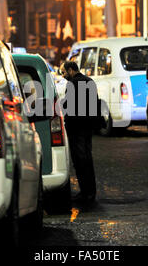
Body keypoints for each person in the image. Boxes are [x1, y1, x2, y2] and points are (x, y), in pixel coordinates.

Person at [61, 61, 99, 204]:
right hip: (87, 127)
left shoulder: (72, 84)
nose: (63, 76)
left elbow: (67, 104)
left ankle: (85, 193)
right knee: (87, 159)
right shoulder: (90, 81)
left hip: (76, 127)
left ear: (71, 70)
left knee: (79, 160)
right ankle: (90, 192)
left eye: (64, 72)